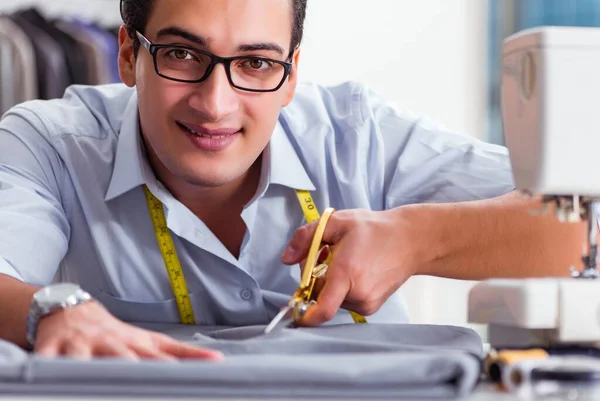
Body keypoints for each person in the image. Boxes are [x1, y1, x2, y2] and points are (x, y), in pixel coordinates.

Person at [0, 0, 585, 361]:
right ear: (129, 53)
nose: (216, 103)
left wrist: (419, 237)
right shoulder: (49, 143)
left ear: (291, 74)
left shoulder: (360, 137)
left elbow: (588, 222)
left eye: (256, 63)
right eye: (181, 54)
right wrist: (49, 309)